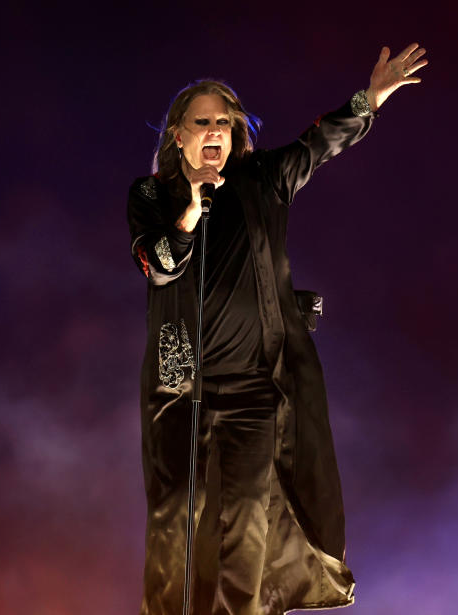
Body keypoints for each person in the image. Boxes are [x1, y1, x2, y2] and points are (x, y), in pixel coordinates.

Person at [127, 43, 428, 615]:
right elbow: (160, 263)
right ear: (177, 136)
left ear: (237, 133)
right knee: (176, 522)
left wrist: (372, 99)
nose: (214, 130)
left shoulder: (266, 179)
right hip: (179, 390)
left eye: (224, 122)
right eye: (202, 122)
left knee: (246, 524)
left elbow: (321, 141)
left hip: (254, 389)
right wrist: (192, 206)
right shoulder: (151, 196)